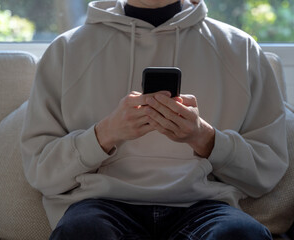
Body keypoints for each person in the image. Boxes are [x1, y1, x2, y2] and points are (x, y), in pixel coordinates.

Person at [20, 0, 289, 239]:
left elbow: (266, 171)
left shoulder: (240, 49)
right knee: (80, 232)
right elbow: (41, 170)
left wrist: (205, 139)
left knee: (241, 235)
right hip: (100, 204)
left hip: (204, 206)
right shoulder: (67, 50)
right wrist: (105, 134)